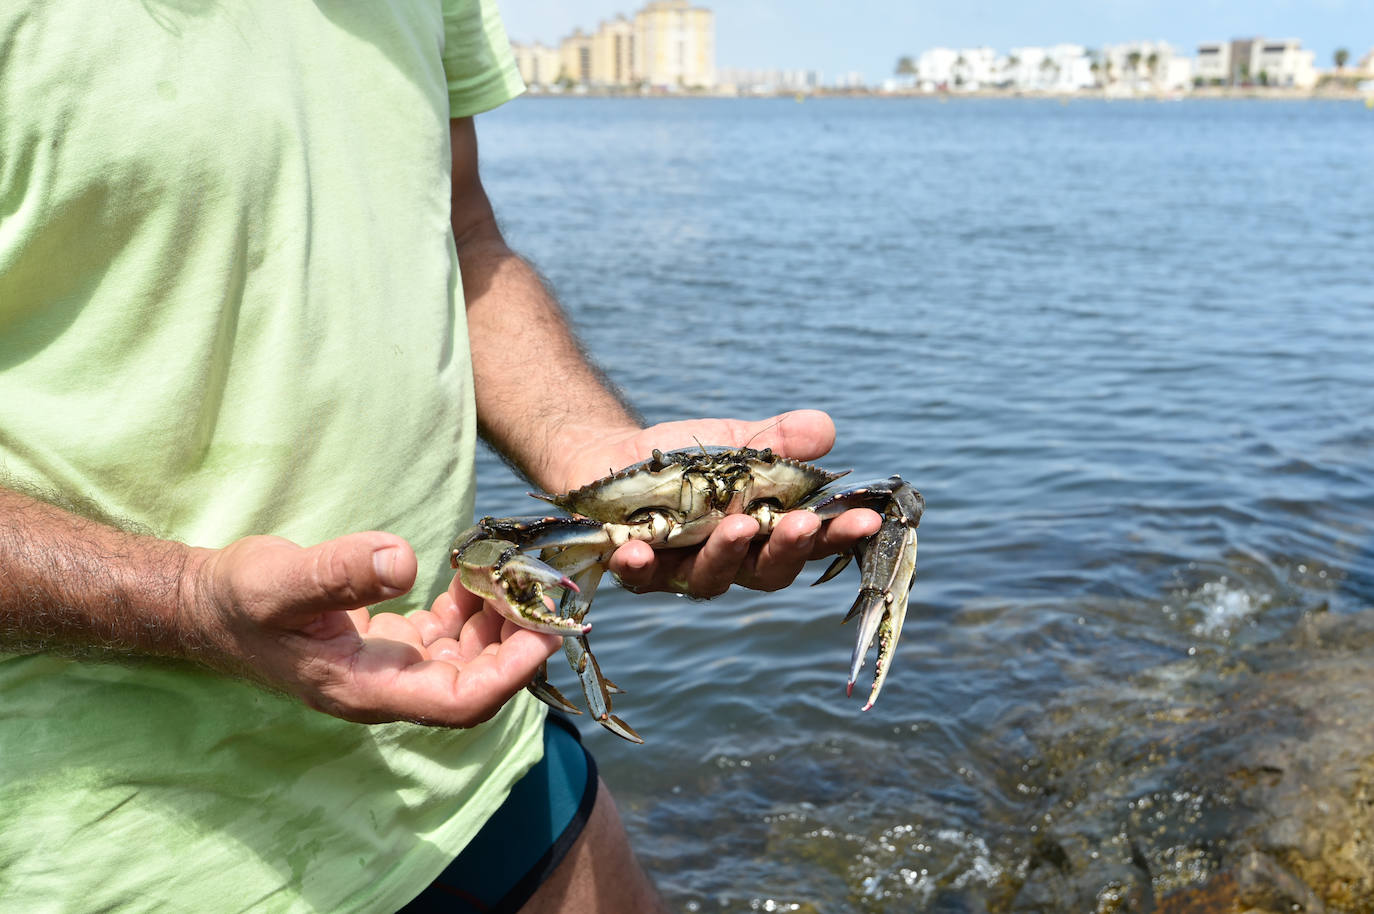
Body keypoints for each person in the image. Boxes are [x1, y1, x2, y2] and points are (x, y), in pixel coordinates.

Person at [0, 2, 880, 911]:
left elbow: (460, 236)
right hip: (108, 840)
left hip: (475, 726)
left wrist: (598, 453)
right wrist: (185, 603)